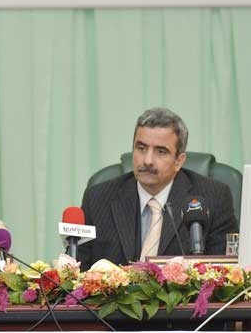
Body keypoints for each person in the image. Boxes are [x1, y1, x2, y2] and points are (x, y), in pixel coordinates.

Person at [78, 107, 238, 270]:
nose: (147, 160)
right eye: (141, 148)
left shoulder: (214, 198)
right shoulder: (98, 198)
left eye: (161, 152)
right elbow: (78, 270)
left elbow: (224, 272)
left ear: (179, 161)